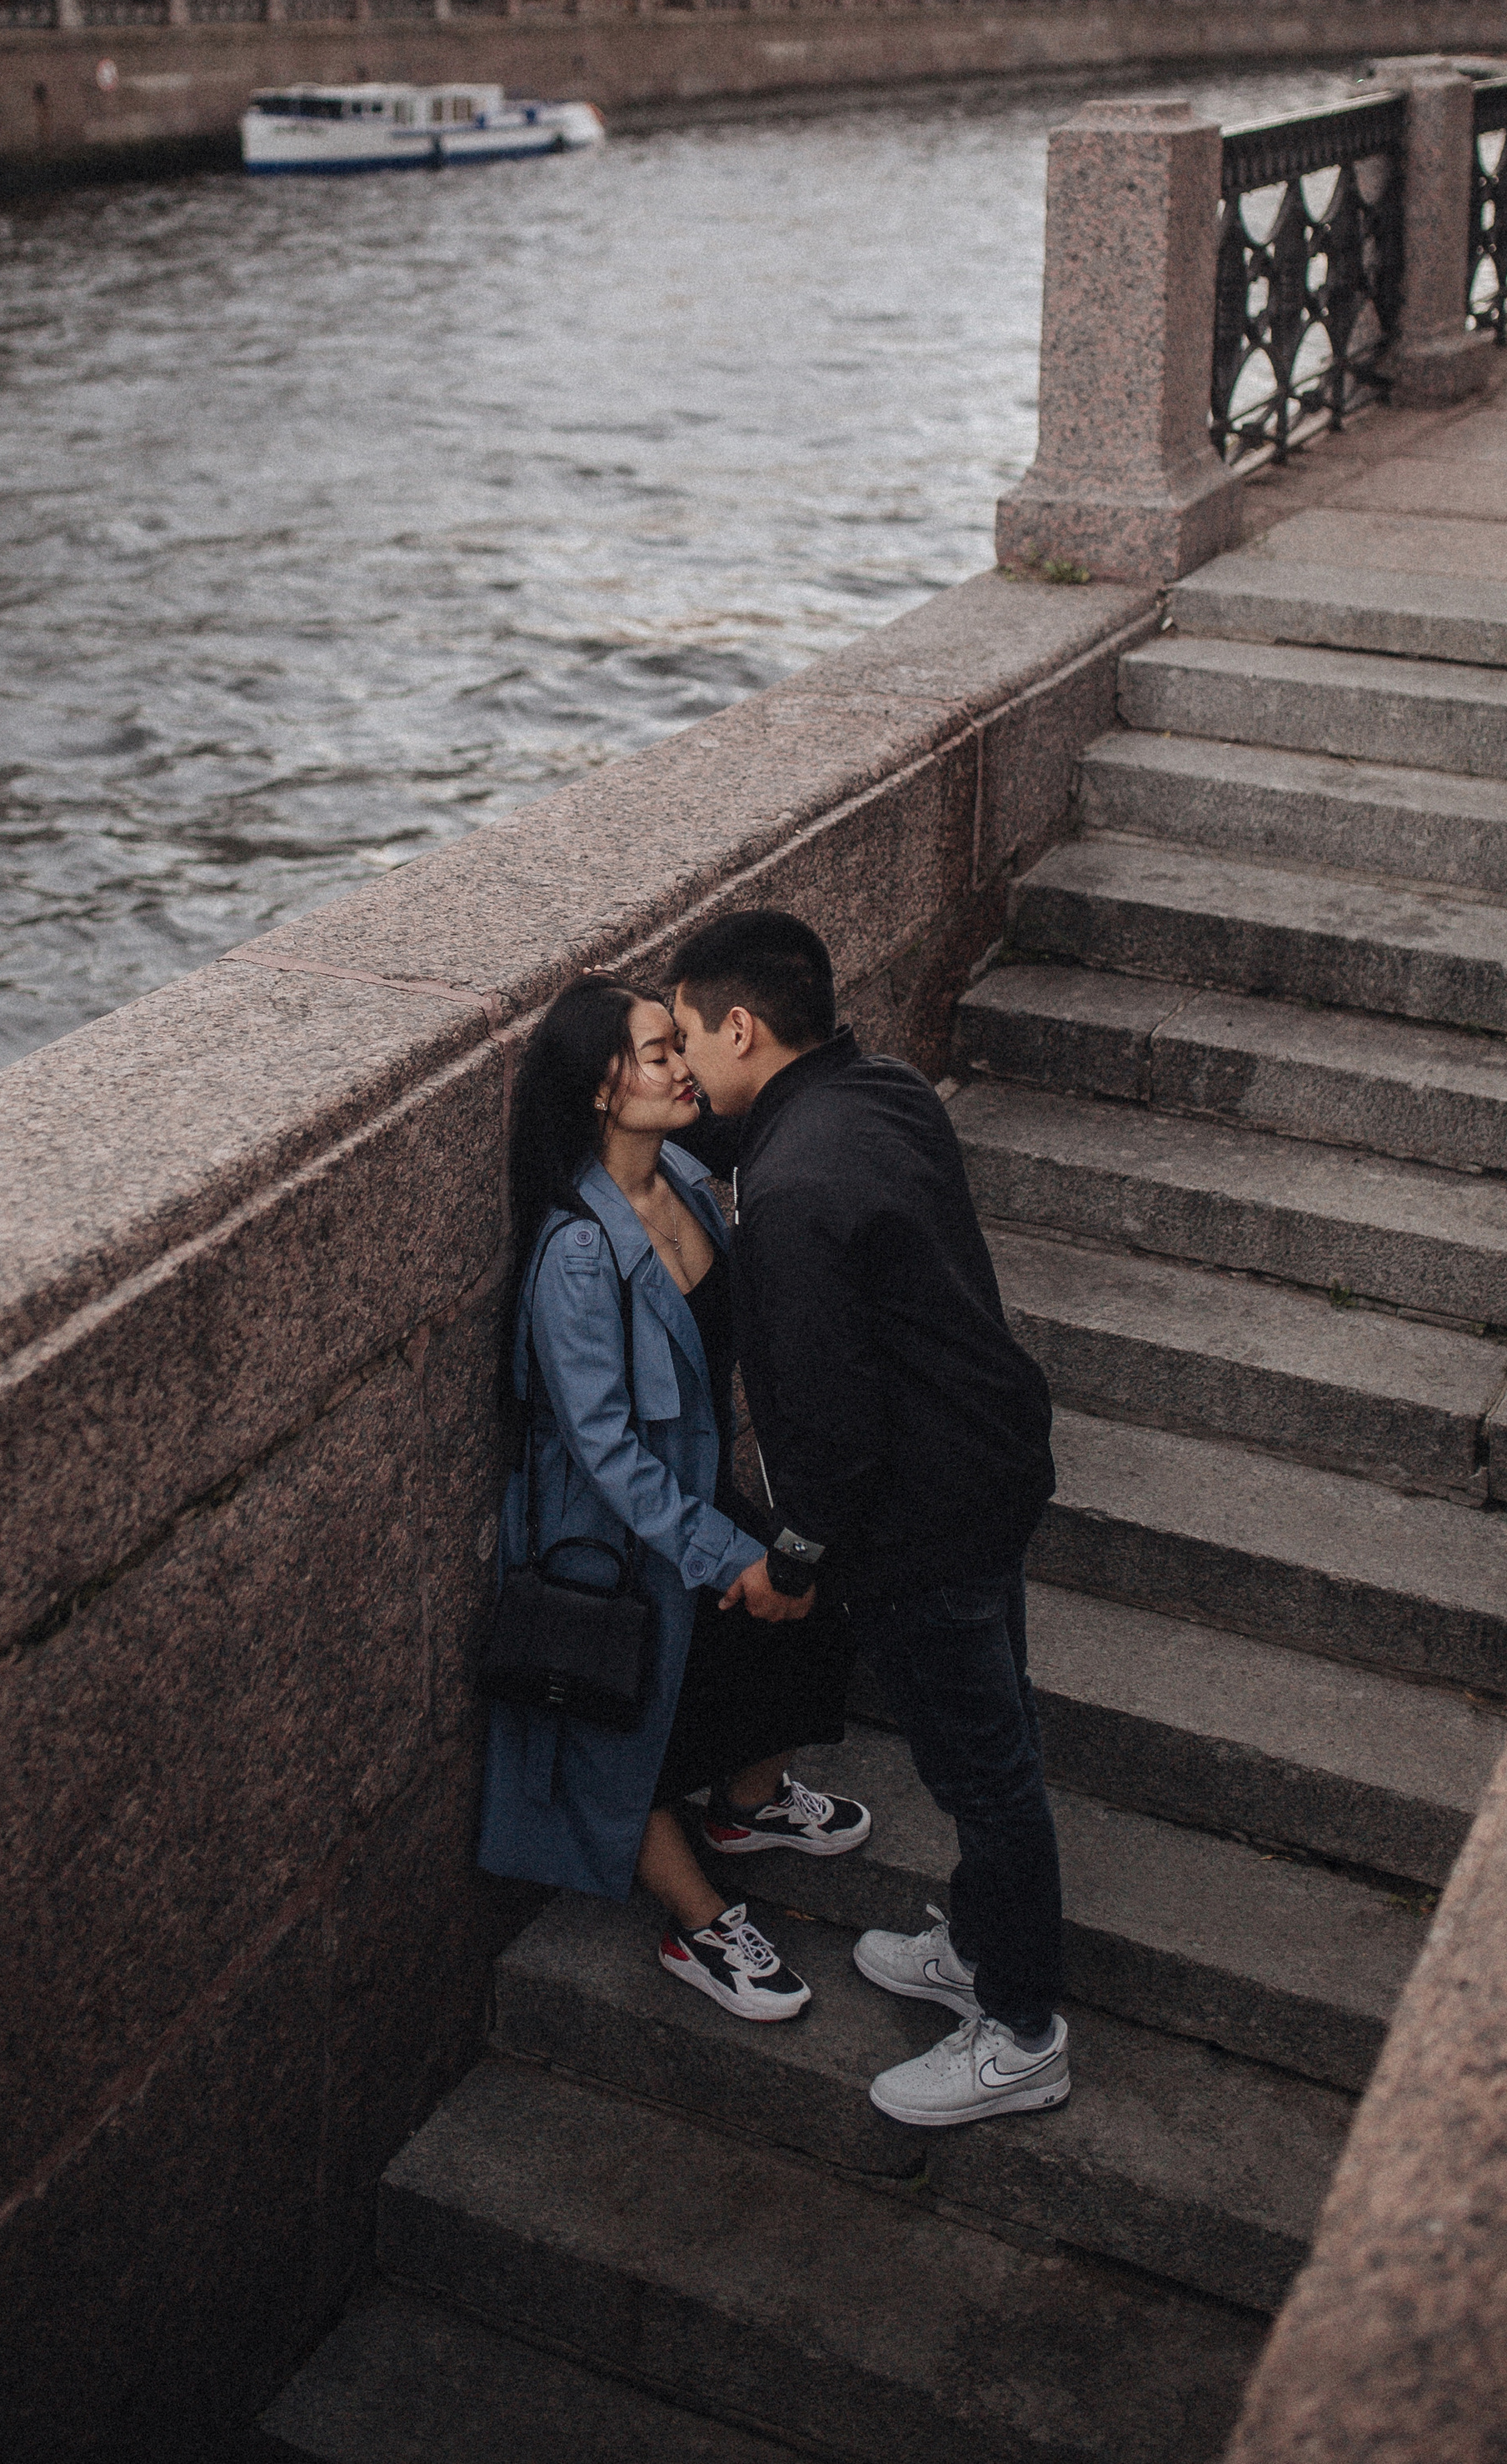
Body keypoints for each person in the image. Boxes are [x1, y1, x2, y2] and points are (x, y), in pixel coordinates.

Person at [668, 910, 1067, 2127]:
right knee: (992, 1729)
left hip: (917, 1522)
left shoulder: (786, 1192)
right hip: (990, 1465)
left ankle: (1022, 2026)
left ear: (741, 1025)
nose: (681, 1066)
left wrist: (796, 1559)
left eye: (686, 1035)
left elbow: (832, 1432)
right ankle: (981, 1944)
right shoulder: (885, 1090)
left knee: (983, 1770)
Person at [477, 977, 870, 2024]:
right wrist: (715, 1549)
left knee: (814, 1617)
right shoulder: (576, 1251)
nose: (684, 1068)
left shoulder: (694, 1182)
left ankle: (744, 1805)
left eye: (676, 1048)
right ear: (603, 1087)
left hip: (692, 1489)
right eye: (658, 1054)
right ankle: (699, 1925)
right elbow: (602, 1447)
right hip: (609, 1532)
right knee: (626, 1714)